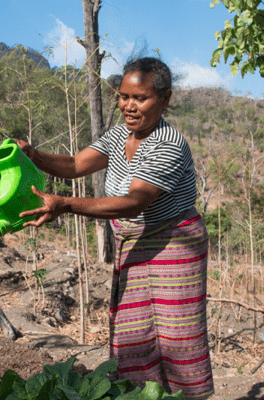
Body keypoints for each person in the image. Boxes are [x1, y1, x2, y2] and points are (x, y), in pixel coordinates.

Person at [14, 57, 214, 400]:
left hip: (175, 244)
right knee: (134, 333)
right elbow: (77, 164)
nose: (128, 106)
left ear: (165, 100)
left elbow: (135, 201)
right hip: (134, 243)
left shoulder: (168, 143)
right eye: (123, 96)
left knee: (177, 337)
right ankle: (139, 395)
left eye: (140, 98)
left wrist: (66, 204)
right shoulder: (121, 134)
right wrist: (33, 155)